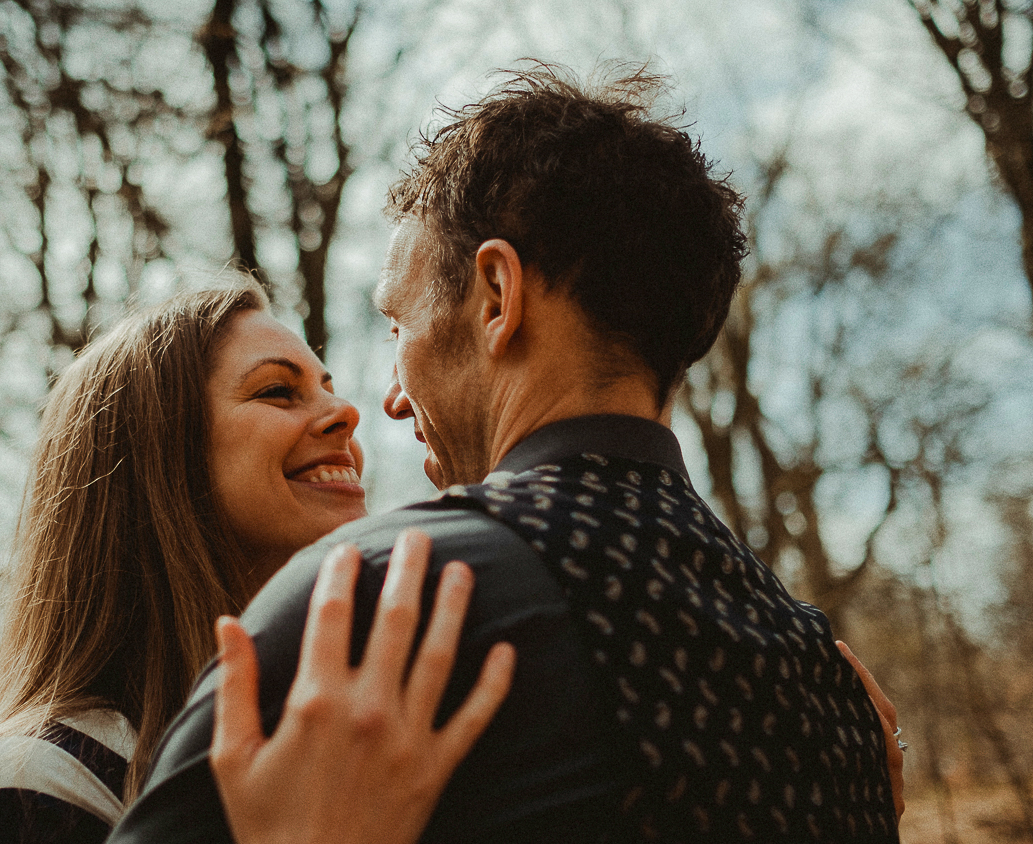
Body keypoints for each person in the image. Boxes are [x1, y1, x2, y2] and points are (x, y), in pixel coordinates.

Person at [109, 63, 904, 844]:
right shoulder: (831, 694)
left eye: (398, 326)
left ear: (496, 296)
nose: (387, 397)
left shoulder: (379, 608)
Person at [0, 284, 514, 844]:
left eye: (328, 386)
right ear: (160, 461)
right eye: (278, 390)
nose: (346, 412)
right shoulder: (51, 777)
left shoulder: (378, 717)